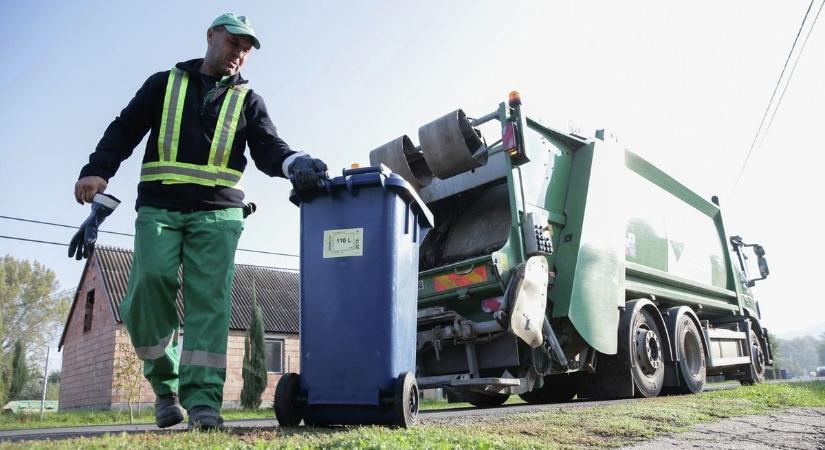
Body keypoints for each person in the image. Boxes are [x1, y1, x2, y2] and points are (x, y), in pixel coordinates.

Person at [72, 13, 327, 430]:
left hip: (219, 214)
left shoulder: (248, 100)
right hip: (159, 207)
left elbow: (268, 147)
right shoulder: (163, 83)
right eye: (233, 43)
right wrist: (97, 169)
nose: (238, 54)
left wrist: (295, 161)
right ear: (211, 36)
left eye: (246, 50)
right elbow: (125, 128)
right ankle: (165, 386)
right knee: (147, 287)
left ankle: (204, 402)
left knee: (209, 303)